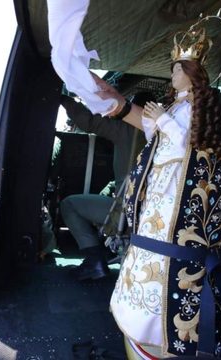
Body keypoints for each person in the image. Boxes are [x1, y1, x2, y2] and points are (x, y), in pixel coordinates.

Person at [96, 31, 221, 358]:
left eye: (179, 70)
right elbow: (162, 142)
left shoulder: (200, 108)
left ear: (193, 75)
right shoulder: (177, 105)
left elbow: (191, 146)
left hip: (182, 190)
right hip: (162, 184)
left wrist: (161, 119)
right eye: (174, 69)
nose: (173, 75)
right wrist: (152, 121)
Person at [59, 91, 155, 281]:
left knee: (69, 205)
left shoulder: (128, 129)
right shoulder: (170, 133)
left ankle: (94, 261)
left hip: (128, 214)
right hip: (159, 215)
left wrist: (64, 99)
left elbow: (88, 121)